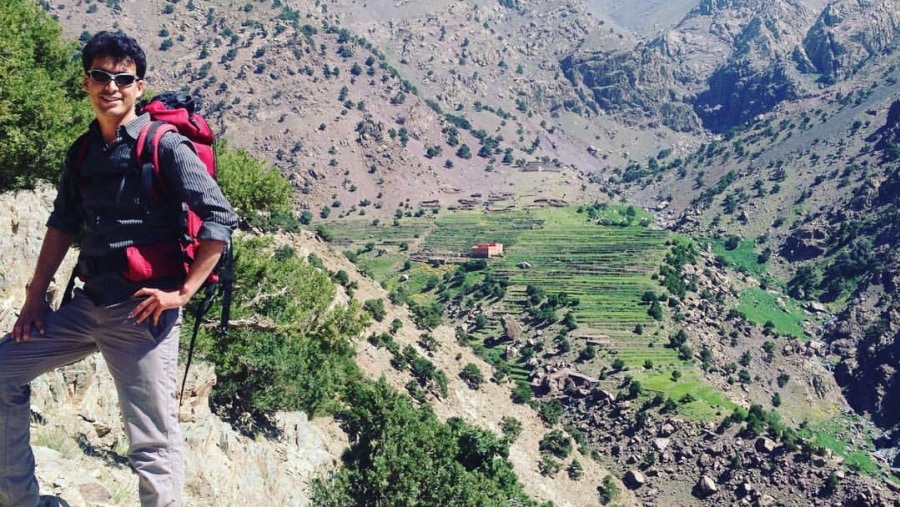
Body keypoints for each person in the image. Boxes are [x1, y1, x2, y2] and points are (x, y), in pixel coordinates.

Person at [0, 31, 237, 507]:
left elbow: (220, 216)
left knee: (152, 442)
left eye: (122, 78)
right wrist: (33, 298)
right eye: (100, 76)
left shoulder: (163, 146)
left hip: (143, 314)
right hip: (87, 305)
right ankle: (20, 500)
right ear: (86, 82)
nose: (111, 86)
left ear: (139, 86)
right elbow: (62, 224)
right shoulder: (83, 151)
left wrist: (183, 293)